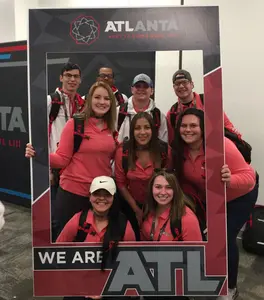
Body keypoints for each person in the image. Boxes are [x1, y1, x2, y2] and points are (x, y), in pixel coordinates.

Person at [172, 108, 258, 300]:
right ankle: (208, 274)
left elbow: (249, 177)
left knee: (224, 238)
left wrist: (229, 180)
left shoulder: (221, 146)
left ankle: (231, 288)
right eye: (184, 126)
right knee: (206, 234)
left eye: (193, 125)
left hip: (240, 195)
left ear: (203, 128)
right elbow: (187, 181)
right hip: (212, 198)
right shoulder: (181, 151)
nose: (188, 130)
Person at [26, 81, 117, 239]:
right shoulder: (75, 124)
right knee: (67, 242)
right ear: (89, 100)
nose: (102, 102)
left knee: (94, 242)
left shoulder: (112, 127)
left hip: (100, 195)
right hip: (73, 194)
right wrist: (37, 154)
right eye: (97, 97)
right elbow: (61, 159)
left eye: (106, 98)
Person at [59, 176, 135, 300]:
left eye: (107, 194)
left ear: (114, 198)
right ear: (90, 197)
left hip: (113, 288)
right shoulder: (78, 220)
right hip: (80, 287)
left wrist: (108, 289)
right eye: (97, 194)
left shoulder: (124, 226)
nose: (101, 198)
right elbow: (57, 253)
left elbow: (131, 264)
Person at [115, 112, 171, 240]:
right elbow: (121, 183)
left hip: (159, 204)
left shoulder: (164, 151)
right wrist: (136, 209)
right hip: (130, 204)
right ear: (132, 131)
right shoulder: (123, 152)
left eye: (147, 128)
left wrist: (156, 208)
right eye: (137, 128)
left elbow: (169, 182)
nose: (142, 132)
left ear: (153, 129)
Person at [166, 69, 241, 145]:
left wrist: (237, 142)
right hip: (189, 155)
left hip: (213, 150)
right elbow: (172, 142)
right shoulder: (172, 113)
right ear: (173, 87)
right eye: (177, 83)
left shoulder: (209, 102)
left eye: (185, 82)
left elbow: (227, 126)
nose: (181, 86)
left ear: (192, 84)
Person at [141, 169, 202, 242]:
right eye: (158, 187)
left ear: (175, 191)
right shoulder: (147, 208)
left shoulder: (187, 218)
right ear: (151, 189)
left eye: (168, 187)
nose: (163, 192)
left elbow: (194, 252)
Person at [116, 73, 168, 143]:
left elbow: (163, 143)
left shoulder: (159, 115)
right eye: (138, 86)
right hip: (122, 153)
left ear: (152, 90)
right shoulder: (118, 112)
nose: (141, 89)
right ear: (132, 89)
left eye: (145, 86)